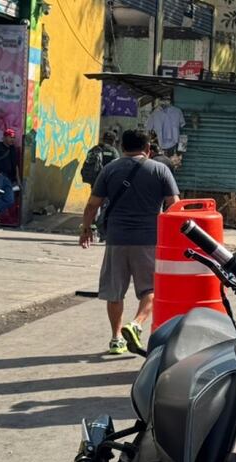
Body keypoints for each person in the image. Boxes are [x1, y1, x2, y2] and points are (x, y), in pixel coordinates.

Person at [80, 129, 180, 355]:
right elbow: (174, 205)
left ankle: (116, 339)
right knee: (152, 289)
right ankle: (136, 324)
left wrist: (86, 229)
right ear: (148, 149)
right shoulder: (159, 169)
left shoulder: (110, 169)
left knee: (115, 291)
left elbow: (91, 205)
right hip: (149, 240)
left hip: (116, 240)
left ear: (123, 147)